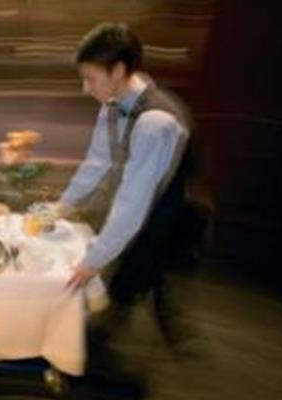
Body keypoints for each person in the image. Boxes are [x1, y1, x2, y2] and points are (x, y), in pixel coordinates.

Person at [58, 22, 205, 364]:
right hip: (147, 211)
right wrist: (61, 206)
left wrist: (92, 261)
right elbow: (96, 162)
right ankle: (176, 334)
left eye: (90, 78)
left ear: (118, 71)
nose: (85, 88)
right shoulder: (113, 104)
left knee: (126, 284)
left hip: (167, 216)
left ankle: (90, 362)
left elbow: (132, 203)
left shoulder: (155, 123)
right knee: (152, 282)